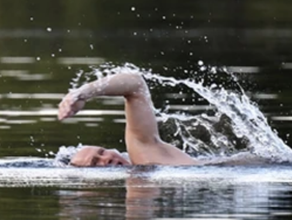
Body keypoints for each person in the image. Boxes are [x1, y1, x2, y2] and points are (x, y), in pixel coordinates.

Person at [57, 70, 198, 167]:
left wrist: (82, 93)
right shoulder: (140, 181)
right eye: (95, 163)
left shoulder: (145, 156)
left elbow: (136, 84)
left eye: (102, 152)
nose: (106, 159)